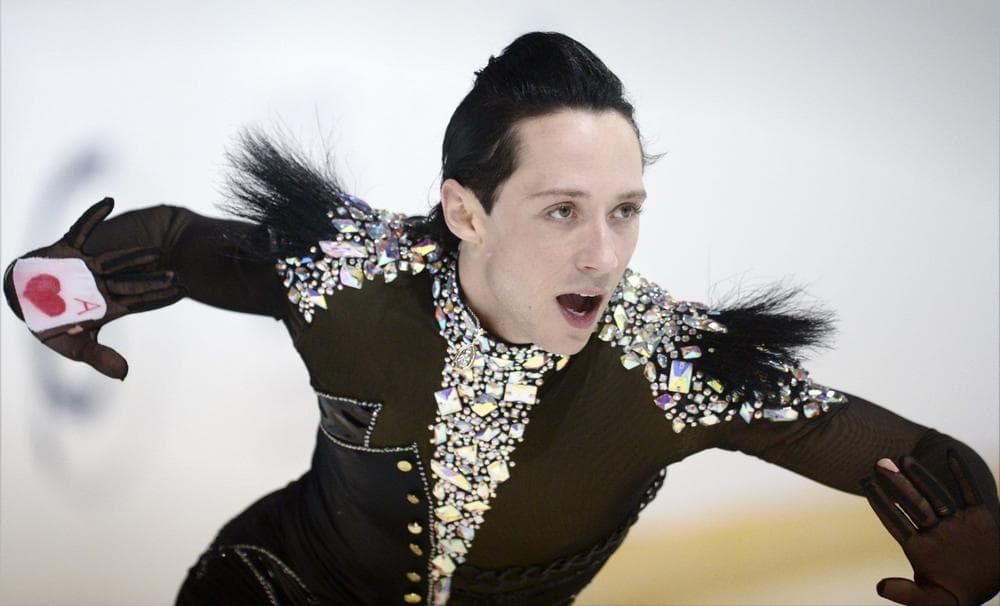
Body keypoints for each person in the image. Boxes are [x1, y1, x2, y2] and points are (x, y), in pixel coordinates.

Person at [4, 32, 998, 606]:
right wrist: (52, 290)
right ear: (465, 210)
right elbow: (172, 246)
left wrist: (977, 555)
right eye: (562, 210)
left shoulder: (670, 364)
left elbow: (916, 463)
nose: (604, 255)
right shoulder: (349, 277)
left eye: (624, 211)